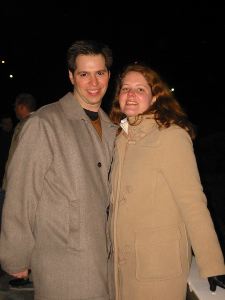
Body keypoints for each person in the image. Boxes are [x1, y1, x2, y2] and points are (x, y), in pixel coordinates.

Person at [0, 40, 118, 300]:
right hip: (64, 259)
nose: (94, 83)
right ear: (71, 77)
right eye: (84, 74)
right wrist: (15, 255)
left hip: (106, 258)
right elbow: (21, 193)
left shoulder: (111, 129)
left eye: (100, 73)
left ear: (109, 74)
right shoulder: (45, 123)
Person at [109, 62, 225, 300]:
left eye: (140, 89)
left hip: (156, 266)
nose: (131, 94)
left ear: (154, 98)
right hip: (121, 264)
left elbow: (192, 203)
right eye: (125, 88)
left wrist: (213, 266)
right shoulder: (120, 138)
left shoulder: (170, 136)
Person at [1, 93, 37, 290]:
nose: (14, 109)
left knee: (21, 226)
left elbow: (21, 161)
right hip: (15, 185)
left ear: (22, 106)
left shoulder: (29, 125)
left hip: (20, 187)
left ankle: (27, 274)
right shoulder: (27, 124)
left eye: (16, 105)